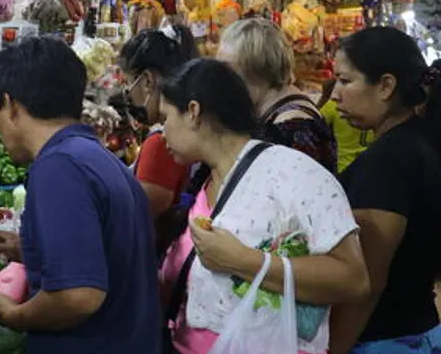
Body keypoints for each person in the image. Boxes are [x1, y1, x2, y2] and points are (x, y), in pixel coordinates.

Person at [158, 58, 368, 354]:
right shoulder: (206, 182)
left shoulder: (294, 175)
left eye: (165, 117)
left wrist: (245, 262)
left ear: (193, 112)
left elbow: (353, 278)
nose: (160, 132)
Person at [0, 37, 171, 354]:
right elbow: (110, 252)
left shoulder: (58, 169)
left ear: (12, 105)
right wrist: (30, 248)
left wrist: (15, 316)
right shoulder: (99, 159)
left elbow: (79, 296)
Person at [326, 27, 441, 354]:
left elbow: (366, 281)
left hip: (377, 350)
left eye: (345, 80)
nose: (335, 94)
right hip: (419, 334)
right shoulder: (423, 142)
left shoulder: (389, 161)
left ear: (386, 85)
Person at [217, 18, 337, 173]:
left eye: (227, 71)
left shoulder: (294, 127)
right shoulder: (276, 113)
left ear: (256, 68)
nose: (221, 81)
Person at [118, 24, 198, 255]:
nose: (127, 93)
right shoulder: (182, 131)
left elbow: (140, 220)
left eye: (127, 82)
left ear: (147, 81)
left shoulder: (162, 144)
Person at [317, 78, 373, 173]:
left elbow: (315, 126)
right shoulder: (374, 105)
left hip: (344, 166)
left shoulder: (333, 106)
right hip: (371, 166)